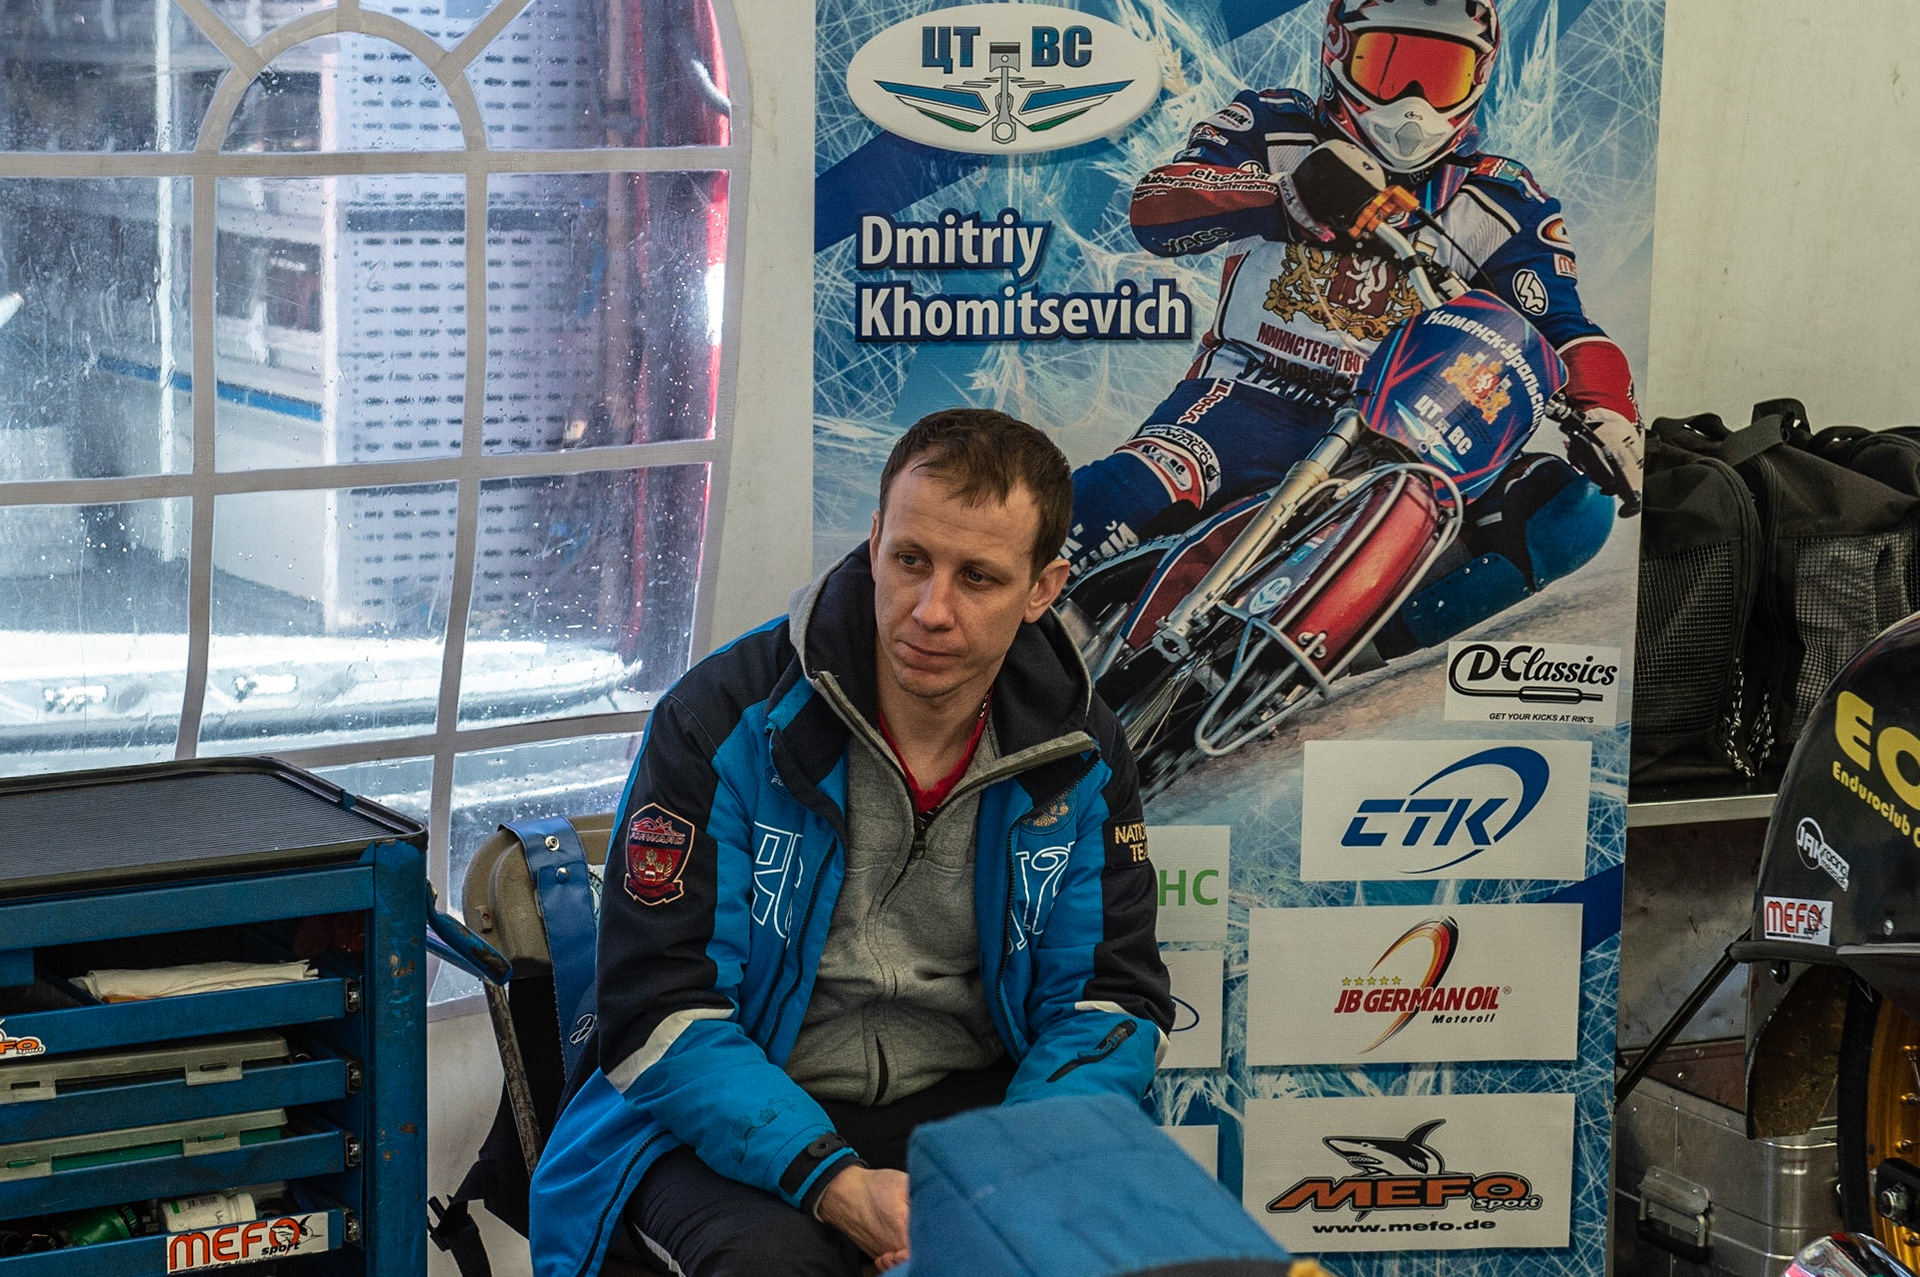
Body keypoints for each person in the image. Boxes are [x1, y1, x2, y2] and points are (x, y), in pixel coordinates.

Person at [528, 408, 1173, 1277]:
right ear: (874, 542)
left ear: (1043, 589)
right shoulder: (720, 719)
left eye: (978, 577)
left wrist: (1010, 1175)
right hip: (731, 1110)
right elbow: (659, 1008)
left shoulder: (1082, 750)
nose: (930, 609)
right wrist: (834, 1182)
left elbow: (1109, 1003)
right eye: (910, 560)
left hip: (975, 1107)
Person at [1065, 0, 1644, 659]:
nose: (1413, 103)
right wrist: (1279, 195)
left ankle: (1346, 657)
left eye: (1439, 73)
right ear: (1339, 53)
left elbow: (1565, 328)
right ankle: (1016, 628)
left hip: (1403, 429)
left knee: (1573, 511)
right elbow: (1157, 204)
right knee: (1129, 490)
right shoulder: (1274, 124)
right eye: (1392, 65)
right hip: (1248, 393)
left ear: (1477, 79)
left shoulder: (1502, 199)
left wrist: (1611, 414)